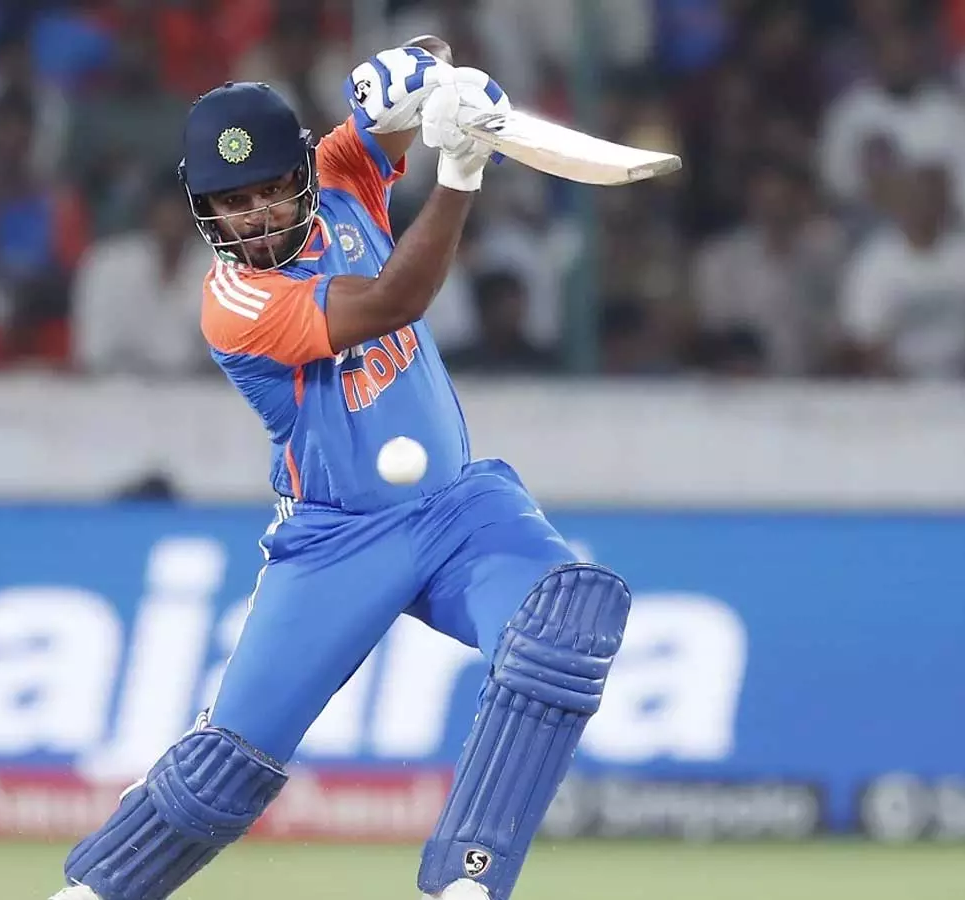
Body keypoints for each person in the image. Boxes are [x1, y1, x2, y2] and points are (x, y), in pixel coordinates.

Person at [51, 36, 632, 900]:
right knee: (224, 773)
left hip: (458, 509)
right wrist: (460, 173)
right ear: (204, 210)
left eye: (268, 189)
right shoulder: (233, 302)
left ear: (303, 172)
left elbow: (411, 80)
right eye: (231, 202)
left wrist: (419, 75)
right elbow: (397, 298)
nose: (254, 216)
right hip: (337, 537)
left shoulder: (343, 172)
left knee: (567, 620)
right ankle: (94, 889)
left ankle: (467, 881)